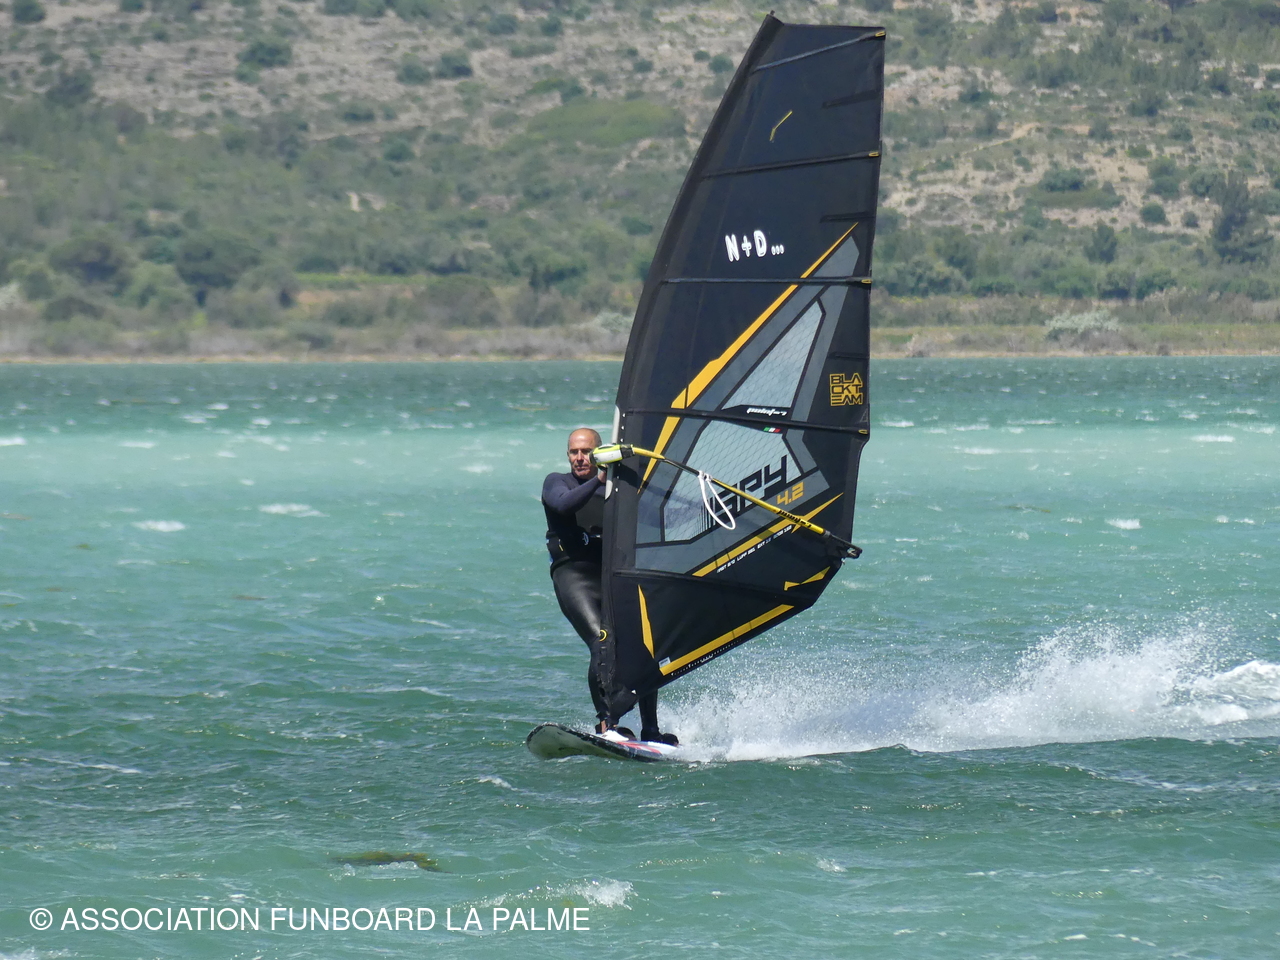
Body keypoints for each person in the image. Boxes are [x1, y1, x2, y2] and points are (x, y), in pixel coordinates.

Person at [542, 427, 677, 745]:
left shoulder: (618, 490)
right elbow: (563, 505)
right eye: (574, 452)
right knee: (602, 643)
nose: (579, 458)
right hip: (574, 576)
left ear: (599, 454)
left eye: (586, 452)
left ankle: (651, 730)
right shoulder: (557, 482)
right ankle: (607, 724)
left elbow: (659, 519)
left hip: (613, 577)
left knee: (643, 647)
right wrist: (601, 480)